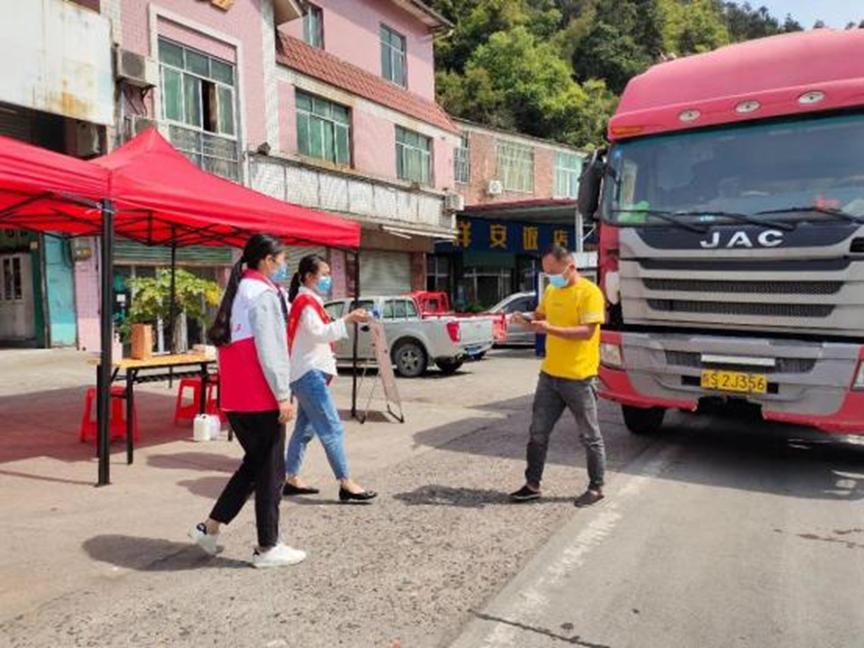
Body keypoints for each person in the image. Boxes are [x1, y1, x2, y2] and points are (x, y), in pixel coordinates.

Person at [189, 233, 306, 569]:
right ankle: (268, 546)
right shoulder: (263, 294)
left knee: (254, 467)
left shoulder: (241, 290)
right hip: (260, 397)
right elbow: (271, 350)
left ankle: (209, 528)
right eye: (282, 261)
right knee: (271, 472)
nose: (284, 267)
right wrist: (282, 395)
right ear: (267, 261)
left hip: (237, 398)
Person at [509, 245, 607, 507]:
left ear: (570, 267)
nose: (550, 277)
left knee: (590, 436)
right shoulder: (552, 291)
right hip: (550, 375)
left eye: (553, 272)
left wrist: (549, 329)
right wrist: (525, 318)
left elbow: (587, 332)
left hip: (579, 377)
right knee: (537, 432)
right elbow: (541, 315)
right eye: (546, 272)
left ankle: (596, 487)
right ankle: (532, 485)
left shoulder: (590, 293)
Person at [282, 254, 377, 503]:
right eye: (324, 274)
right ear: (309, 276)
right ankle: (346, 482)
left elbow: (319, 331)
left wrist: (347, 319)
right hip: (309, 374)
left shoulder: (310, 300)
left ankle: (291, 477)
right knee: (331, 427)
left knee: (305, 429)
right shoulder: (305, 301)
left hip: (306, 373)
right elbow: (320, 333)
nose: (328, 278)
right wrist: (348, 319)